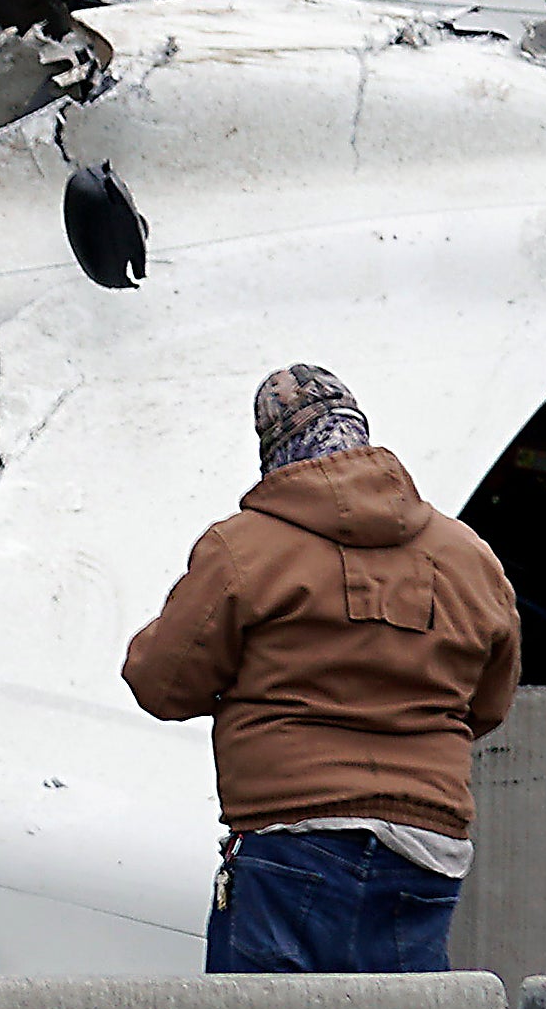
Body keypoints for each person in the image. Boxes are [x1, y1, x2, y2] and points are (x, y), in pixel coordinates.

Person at [120, 365, 520, 973]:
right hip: (427, 845)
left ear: (275, 452)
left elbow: (162, 685)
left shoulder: (244, 547)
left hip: (292, 835)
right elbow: (487, 705)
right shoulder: (470, 557)